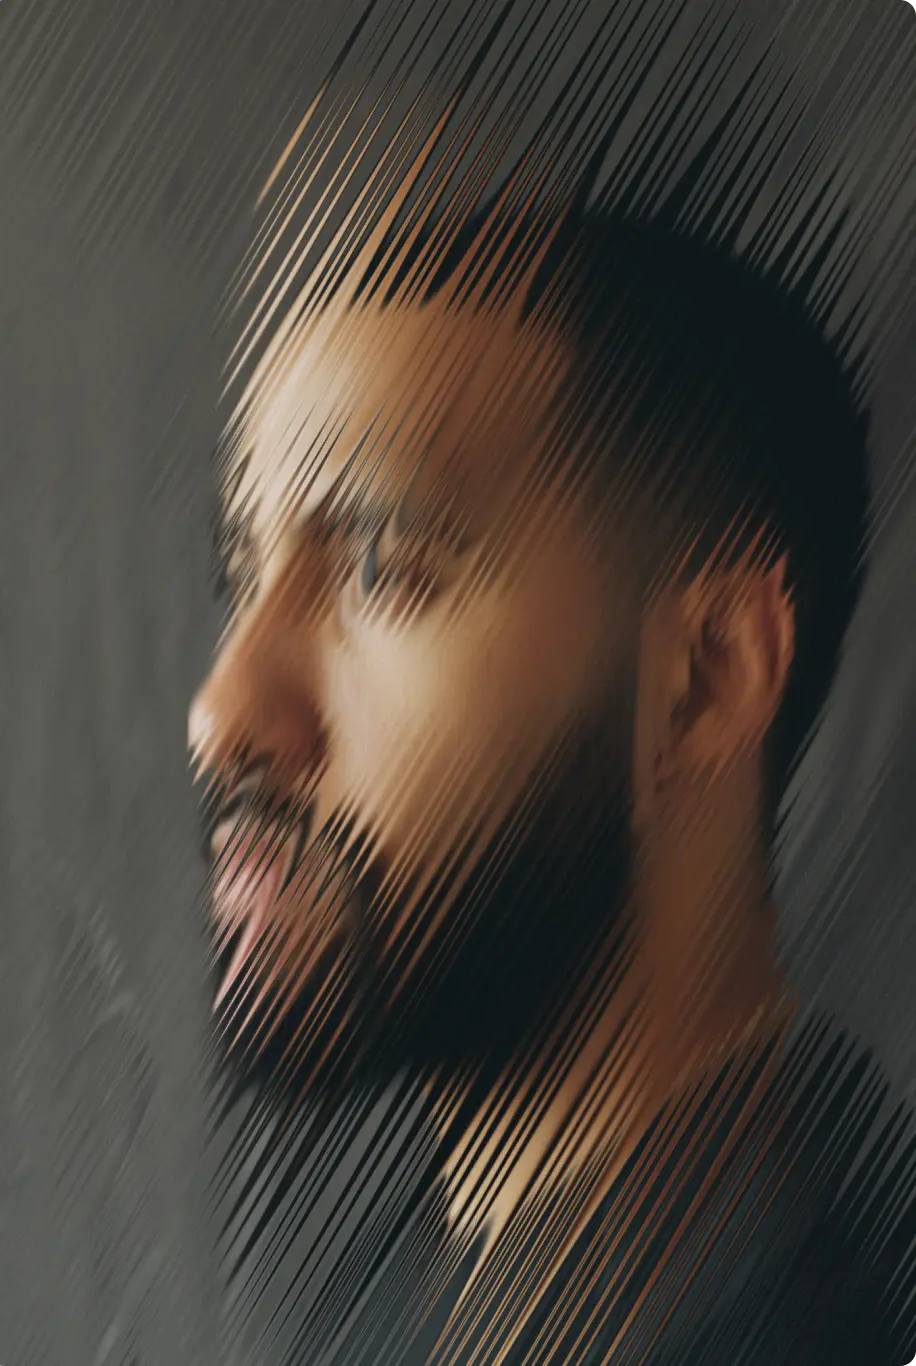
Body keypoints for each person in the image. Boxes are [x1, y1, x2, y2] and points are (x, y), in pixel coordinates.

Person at [188, 174, 916, 1361]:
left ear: (703, 679)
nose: (220, 710)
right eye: (245, 575)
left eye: (379, 565)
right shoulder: (399, 1294)